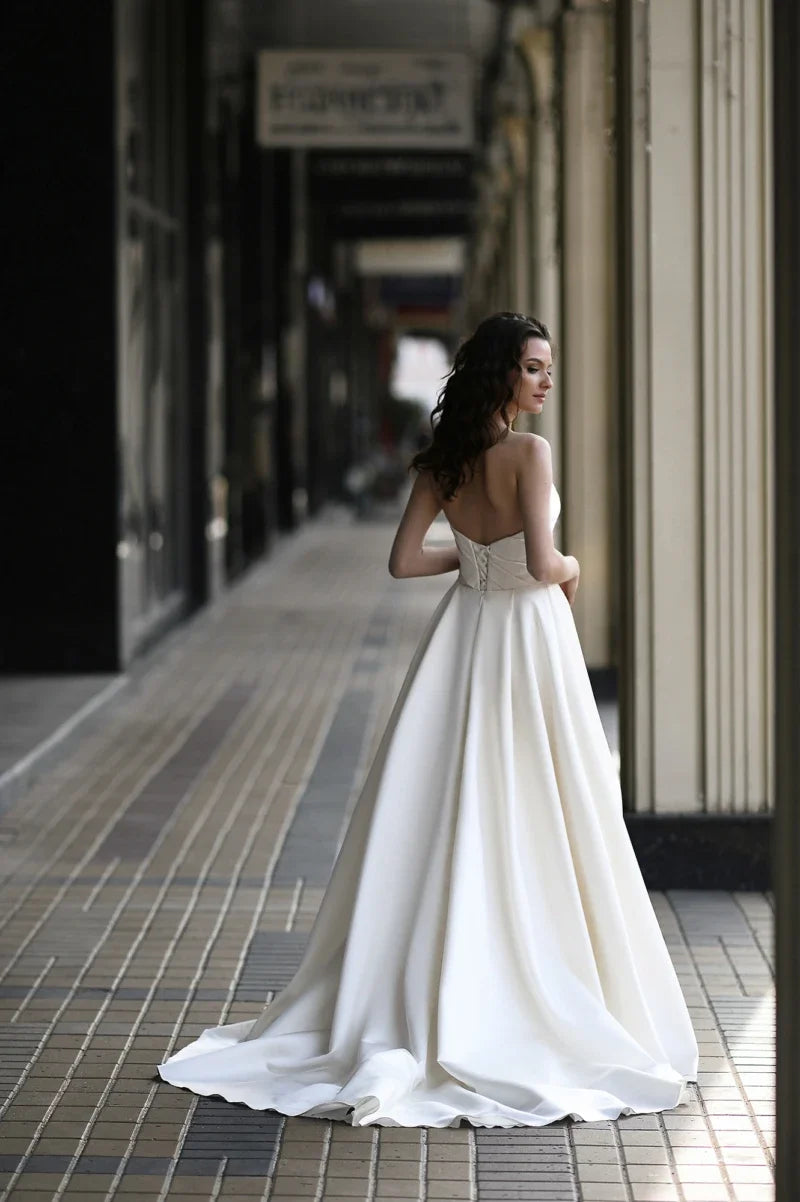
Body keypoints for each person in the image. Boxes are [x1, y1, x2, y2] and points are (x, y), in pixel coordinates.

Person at [157, 311, 699, 1128]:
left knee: (450, 806)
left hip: (465, 633)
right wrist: (570, 564)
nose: (547, 381)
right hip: (528, 635)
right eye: (535, 367)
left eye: (549, 368)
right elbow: (549, 565)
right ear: (502, 376)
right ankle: (524, 971)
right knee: (544, 800)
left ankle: (431, 979)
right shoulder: (531, 452)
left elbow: (404, 560)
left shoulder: (442, 462)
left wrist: (475, 558)